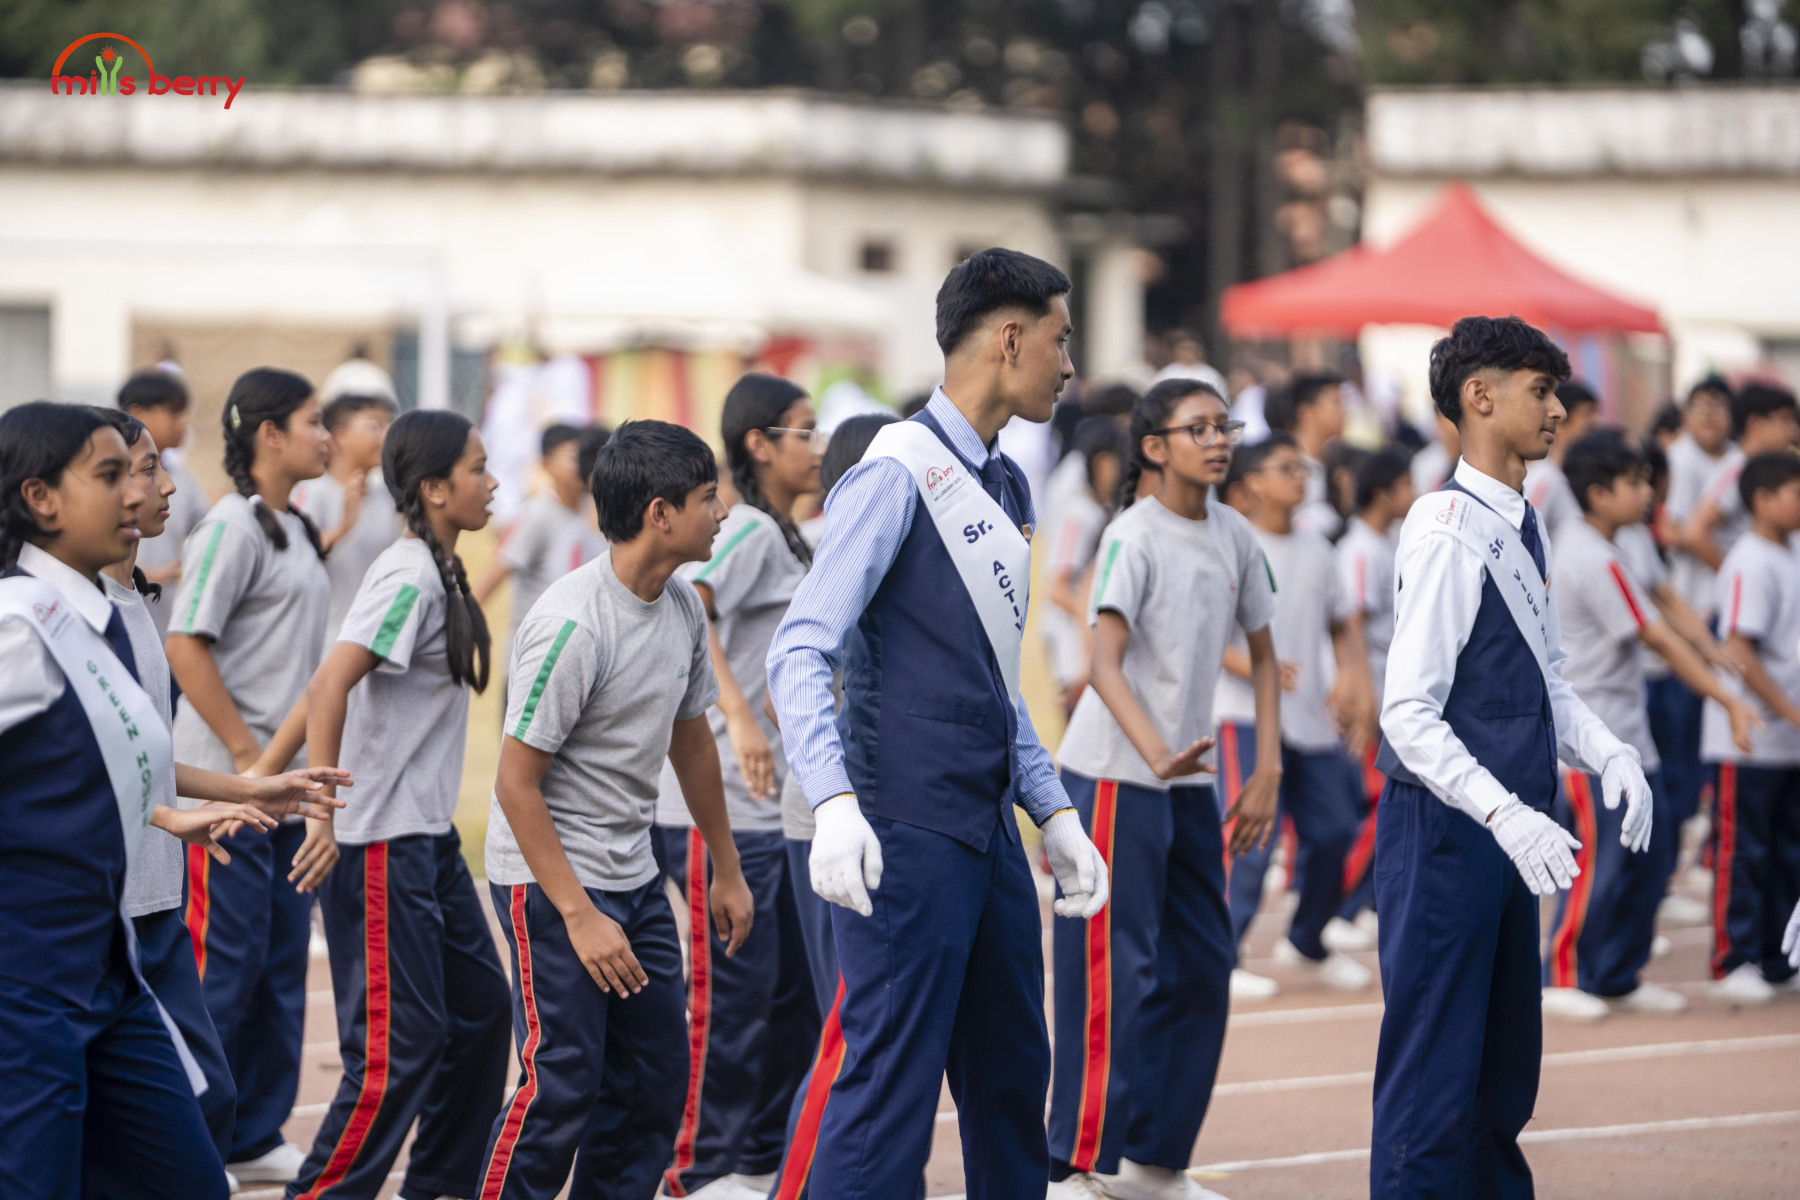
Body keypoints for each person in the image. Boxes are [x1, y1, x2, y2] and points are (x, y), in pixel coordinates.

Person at [766, 248, 1110, 1199]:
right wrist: (835, 804)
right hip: (902, 826)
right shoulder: (893, 475)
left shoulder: (1008, 487)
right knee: (887, 1097)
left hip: (988, 830)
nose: (1069, 365)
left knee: (1012, 1082)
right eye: (1060, 340)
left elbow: (994, 682)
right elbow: (799, 649)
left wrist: (1055, 812)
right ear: (1011, 339)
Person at [0, 402, 343, 1200]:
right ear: (40, 499)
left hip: (109, 959)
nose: (140, 492)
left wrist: (213, 799)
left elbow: (92, 768)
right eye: (110, 474)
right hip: (30, 976)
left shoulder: (95, 614)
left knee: (189, 1173)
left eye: (140, 471)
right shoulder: (20, 627)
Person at [1372, 316, 1653, 1198]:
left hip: (1511, 833)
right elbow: (1407, 713)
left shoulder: (1523, 519)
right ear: (1479, 397)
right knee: (1433, 1079)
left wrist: (1607, 750)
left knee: (1501, 1079)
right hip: (1448, 832)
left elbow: (1544, 679)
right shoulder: (1447, 528)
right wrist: (1502, 810)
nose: (1558, 409)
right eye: (1541, 390)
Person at [477, 420, 754, 1199]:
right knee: (561, 1083)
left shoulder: (681, 608)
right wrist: (578, 915)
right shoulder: (573, 624)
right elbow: (514, 783)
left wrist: (726, 867)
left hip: (632, 874)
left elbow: (692, 742)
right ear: (660, 513)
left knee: (653, 1078)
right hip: (553, 884)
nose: (722, 511)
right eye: (708, 498)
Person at [1046, 378, 1277, 1200]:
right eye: (1198, 428)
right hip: (1116, 773)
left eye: (1224, 426)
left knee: (1204, 965)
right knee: (1111, 972)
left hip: (1187, 781)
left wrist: (1269, 768)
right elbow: (1102, 662)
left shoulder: (1235, 533)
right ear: (1153, 447)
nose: (1218, 442)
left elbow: (1264, 654)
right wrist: (1156, 753)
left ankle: (1154, 1161)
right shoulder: (1132, 537)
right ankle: (1074, 1166)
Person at [286, 410, 513, 1200]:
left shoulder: (441, 569)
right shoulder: (409, 574)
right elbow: (329, 684)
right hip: (379, 840)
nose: (492, 482)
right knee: (397, 1050)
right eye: (479, 469)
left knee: (482, 1013)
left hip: (425, 837)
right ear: (435, 489)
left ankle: (440, 1185)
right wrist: (319, 812)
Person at [650, 375, 824, 1199]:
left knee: (786, 998)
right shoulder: (747, 528)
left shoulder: (791, 537)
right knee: (731, 999)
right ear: (759, 444)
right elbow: (692, 602)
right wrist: (741, 716)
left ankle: (754, 1159)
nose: (817, 447)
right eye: (804, 431)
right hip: (721, 799)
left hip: (772, 809)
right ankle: (696, 1168)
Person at [165, 367, 337, 1186]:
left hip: (283, 793)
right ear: (269, 434)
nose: (325, 436)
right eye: (313, 421)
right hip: (229, 794)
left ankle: (255, 1131)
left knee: (277, 964)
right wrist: (243, 759)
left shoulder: (295, 528)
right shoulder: (229, 527)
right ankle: (195, 1139)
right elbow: (184, 644)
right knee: (221, 969)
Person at [1542, 431, 1759, 1020]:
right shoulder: (1591, 555)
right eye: (1634, 483)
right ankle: (1564, 975)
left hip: (1630, 734)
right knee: (1603, 866)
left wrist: (1713, 651)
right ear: (1598, 494)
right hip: (1593, 744)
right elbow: (1656, 634)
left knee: (1651, 857)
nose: (1648, 492)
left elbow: (1665, 601)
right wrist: (1726, 698)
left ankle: (1617, 975)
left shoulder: (1623, 541)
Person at [763, 412, 899, 1200]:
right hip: (826, 818)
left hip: (869, 814)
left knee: (867, 1026)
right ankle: (800, 1186)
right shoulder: (836, 553)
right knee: (848, 1027)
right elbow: (787, 679)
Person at [1214, 433, 1375, 994]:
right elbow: (1206, 638)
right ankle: (1221, 958)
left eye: (1302, 468)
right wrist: (1257, 668)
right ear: (1250, 486)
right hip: (1242, 715)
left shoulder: (1318, 550)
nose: (1301, 477)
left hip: (1308, 720)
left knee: (1336, 830)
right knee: (1250, 838)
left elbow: (1342, 623)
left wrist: (1354, 680)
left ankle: (1308, 941)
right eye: (1286, 469)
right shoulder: (1231, 547)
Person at [1700, 451, 1800, 1004]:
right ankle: (1732, 958)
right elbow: (1739, 649)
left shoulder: (1792, 552)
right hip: (1751, 741)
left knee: (1787, 851)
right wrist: (1790, 711)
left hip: (1789, 742)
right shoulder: (1750, 561)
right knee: (1744, 851)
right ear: (1762, 500)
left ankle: (1779, 956)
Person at [1331, 446, 1416, 948]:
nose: (1414, 494)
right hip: (1375, 689)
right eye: (1406, 485)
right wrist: (1363, 696)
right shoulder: (1360, 548)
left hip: (1391, 685)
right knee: (1377, 802)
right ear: (1383, 493)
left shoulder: (1387, 543)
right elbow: (1353, 625)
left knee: (1391, 801)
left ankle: (1366, 902)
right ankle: (1338, 907)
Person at [473, 423, 607, 659]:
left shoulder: (595, 511)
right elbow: (494, 574)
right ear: (546, 464)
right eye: (572, 457)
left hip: (578, 654)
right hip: (537, 653)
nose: (580, 464)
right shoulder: (536, 515)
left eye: (585, 456)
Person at [291, 391, 401, 649]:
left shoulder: (386, 498)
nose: (385, 436)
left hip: (373, 645)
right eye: (374, 426)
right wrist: (344, 527)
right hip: (323, 645)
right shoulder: (313, 492)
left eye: (389, 426)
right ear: (340, 436)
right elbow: (294, 558)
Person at [1041, 418, 1126, 717]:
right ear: (1103, 463)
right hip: (1073, 652)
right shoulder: (1080, 513)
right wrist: (1093, 628)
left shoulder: (1103, 511)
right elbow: (1057, 587)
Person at [119, 369, 212, 642]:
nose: (184, 422)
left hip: (163, 621)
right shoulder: (112, 482)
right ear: (137, 413)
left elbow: (206, 533)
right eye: (173, 412)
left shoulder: (184, 479)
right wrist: (138, 574)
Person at [1680, 381, 1800, 577]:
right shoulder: (1737, 468)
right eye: (1785, 420)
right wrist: (1737, 574)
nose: (1793, 430)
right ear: (1756, 424)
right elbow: (1695, 531)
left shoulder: (1758, 467)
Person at [1660, 376, 1740, 621]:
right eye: (1699, 407)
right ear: (1685, 415)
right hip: (1691, 594)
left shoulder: (1737, 456)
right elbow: (1669, 531)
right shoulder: (1679, 458)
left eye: (1717, 406)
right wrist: (1732, 569)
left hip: (1725, 595)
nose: (1708, 415)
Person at [1263, 372, 1347, 539]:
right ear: (1307, 412)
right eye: (1336, 402)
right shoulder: (1283, 470)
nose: (1345, 411)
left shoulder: (1331, 463)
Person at [1521, 379, 1599, 542]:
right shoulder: (1544, 476)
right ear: (1559, 422)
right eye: (1586, 414)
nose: (1595, 422)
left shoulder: (1566, 476)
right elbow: (1524, 530)